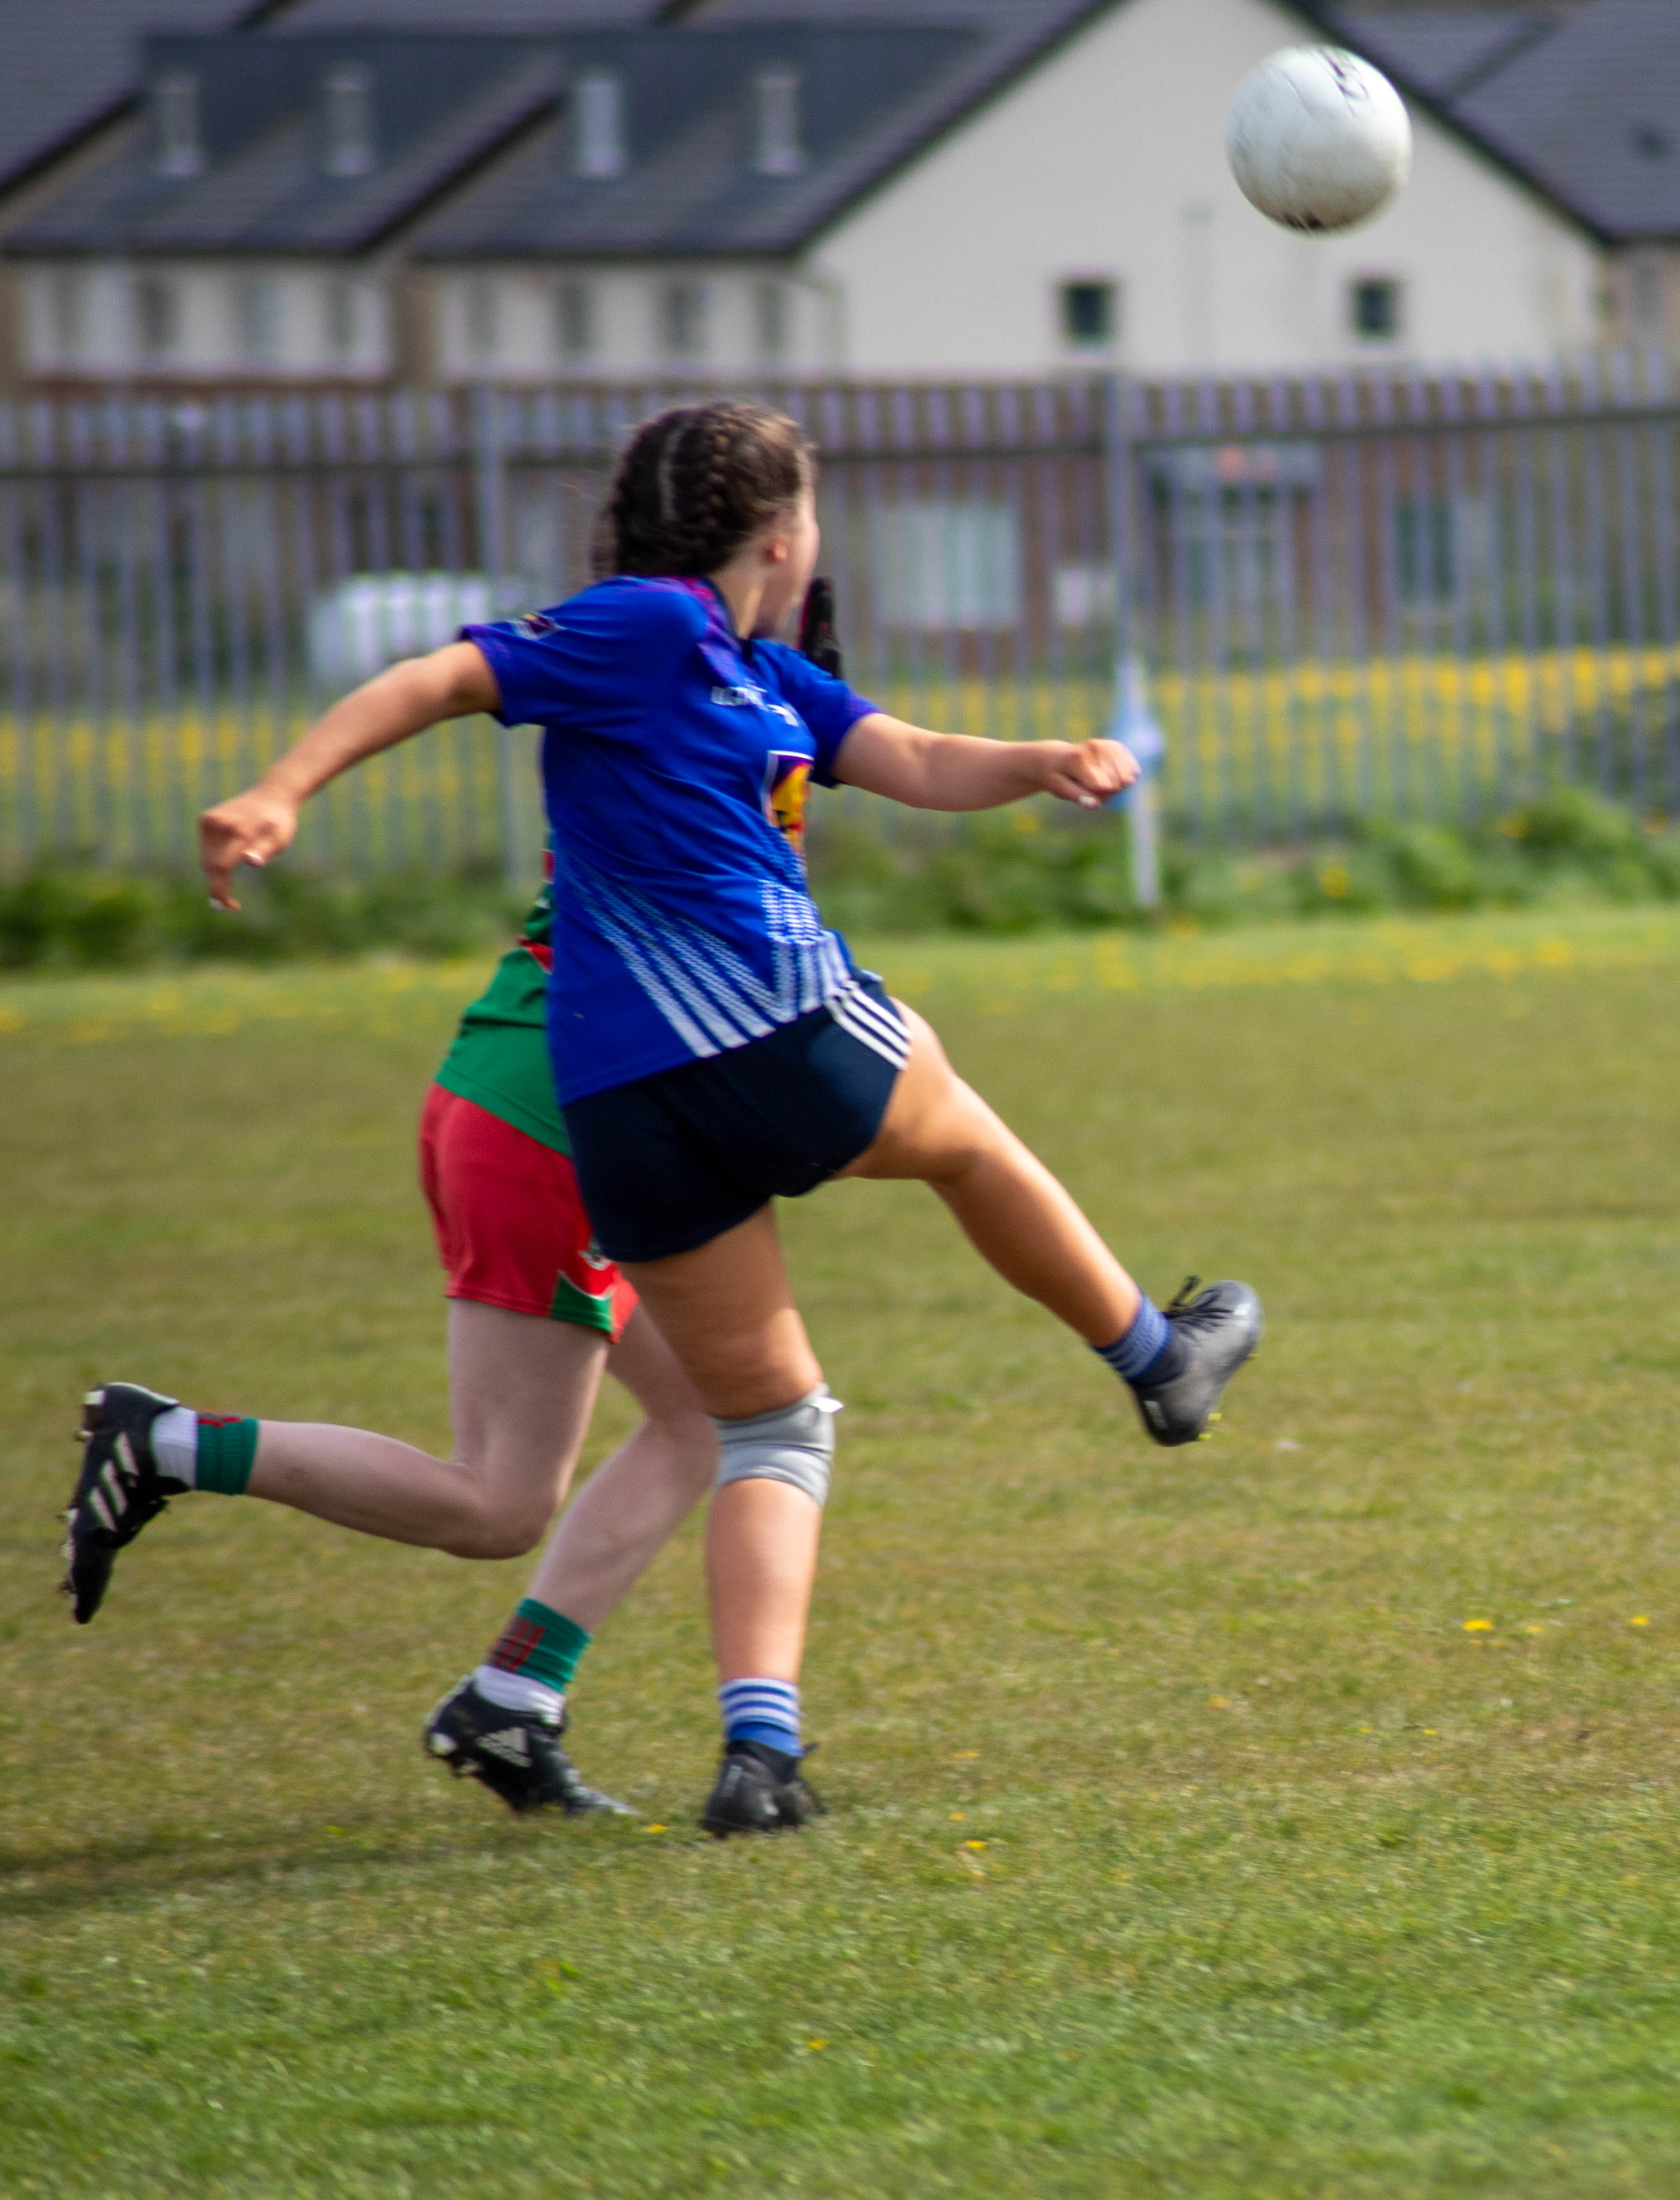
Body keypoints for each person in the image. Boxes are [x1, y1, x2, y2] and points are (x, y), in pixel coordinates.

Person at [123, 401, 1263, 1836]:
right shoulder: (650, 623)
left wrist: (1037, 759)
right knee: (965, 1137)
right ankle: (1158, 1357)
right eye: (813, 518)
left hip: (625, 1098)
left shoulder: (765, 674)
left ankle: (757, 1760)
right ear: (779, 534)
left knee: (770, 1421)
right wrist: (281, 787)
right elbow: (440, 675)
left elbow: (913, 756)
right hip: (765, 1020)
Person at [62, 854, 721, 1817]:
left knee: (709, 1410)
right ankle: (167, 1443)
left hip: (518, 1093)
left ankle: (509, 1704)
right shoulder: (712, 769)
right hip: (549, 1125)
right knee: (497, 1504)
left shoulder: (675, 764)